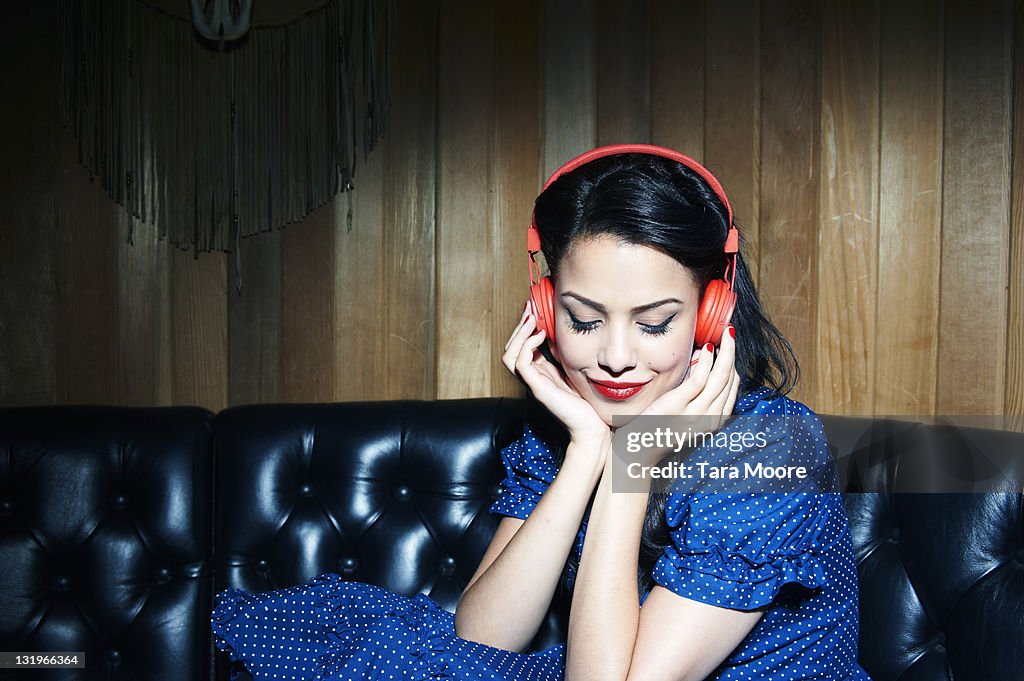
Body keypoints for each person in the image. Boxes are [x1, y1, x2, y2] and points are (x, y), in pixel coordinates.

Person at [211, 144, 870, 680]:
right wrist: (589, 452)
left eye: (654, 323)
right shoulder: (564, 427)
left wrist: (632, 460)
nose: (615, 356)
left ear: (710, 313)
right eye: (584, 320)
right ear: (547, 311)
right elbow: (483, 635)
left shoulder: (773, 451)